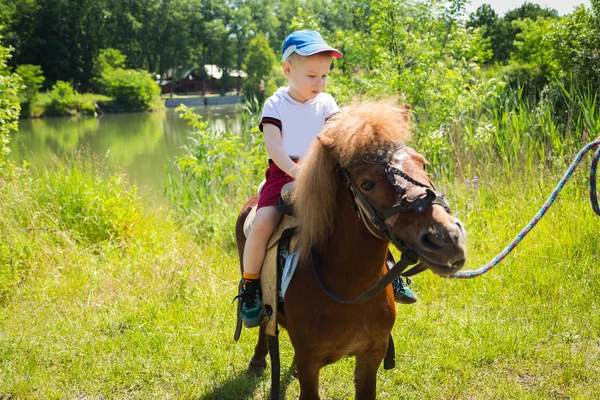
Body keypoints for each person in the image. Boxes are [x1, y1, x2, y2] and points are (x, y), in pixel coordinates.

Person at [238, 30, 416, 329]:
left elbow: (339, 135)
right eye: (311, 76)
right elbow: (274, 148)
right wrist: (299, 174)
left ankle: (388, 270)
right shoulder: (275, 104)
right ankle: (251, 287)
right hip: (285, 172)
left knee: (364, 211)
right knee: (264, 222)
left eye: (324, 76)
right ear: (287, 69)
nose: (318, 83)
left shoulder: (327, 102)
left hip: (325, 172)